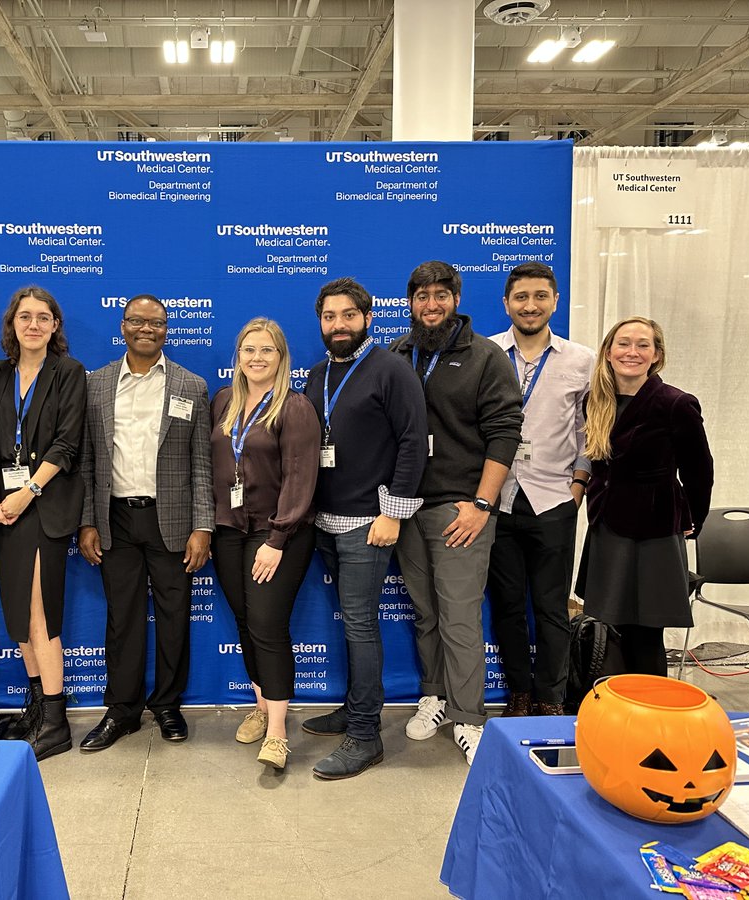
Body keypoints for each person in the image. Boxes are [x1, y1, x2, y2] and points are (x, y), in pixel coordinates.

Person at [390, 260, 522, 766]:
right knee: (425, 613)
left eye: (441, 295)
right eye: (421, 296)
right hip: (405, 507)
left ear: (457, 299)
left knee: (460, 617)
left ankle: (470, 716)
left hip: (459, 509)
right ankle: (435, 697)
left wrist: (483, 505)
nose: (431, 304)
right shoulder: (398, 353)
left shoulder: (485, 356)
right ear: (410, 302)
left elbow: (506, 432)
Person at [301, 277, 428, 780]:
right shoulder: (316, 375)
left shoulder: (391, 370)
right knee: (350, 622)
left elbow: (413, 443)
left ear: (367, 318)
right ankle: (354, 707)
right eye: (329, 318)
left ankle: (365, 733)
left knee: (359, 624)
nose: (338, 326)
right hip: (325, 522)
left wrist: (393, 514)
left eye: (347, 316)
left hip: (368, 525)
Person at [77, 294, 214, 751]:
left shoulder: (190, 385)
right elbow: (89, 460)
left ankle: (168, 705)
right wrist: (87, 521)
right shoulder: (95, 384)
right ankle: (122, 711)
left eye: (155, 322)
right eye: (137, 321)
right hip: (115, 517)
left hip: (171, 519)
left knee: (175, 617)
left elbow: (201, 464)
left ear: (166, 328)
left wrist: (203, 526)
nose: (146, 329)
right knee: (123, 619)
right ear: (123, 326)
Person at [210, 318, 320, 771]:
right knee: (245, 621)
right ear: (237, 356)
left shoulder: (294, 407)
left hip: (279, 533)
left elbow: (300, 477)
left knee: (268, 625)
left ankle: (277, 732)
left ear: (281, 358)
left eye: (267, 350)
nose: (257, 357)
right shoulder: (222, 402)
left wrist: (277, 538)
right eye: (248, 349)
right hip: (228, 530)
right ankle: (261, 704)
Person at [0, 287, 86, 760]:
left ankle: (57, 722)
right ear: (13, 324)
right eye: (25, 317)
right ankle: (36, 706)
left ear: (55, 326)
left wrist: (27, 492)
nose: (34, 325)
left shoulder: (68, 373)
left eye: (44, 317)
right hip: (3, 510)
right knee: (20, 620)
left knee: (42, 616)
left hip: (43, 507)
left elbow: (66, 445)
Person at [576, 316, 714, 677]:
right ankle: (618, 710)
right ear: (608, 351)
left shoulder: (676, 404)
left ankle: (651, 714)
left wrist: (693, 521)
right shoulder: (596, 401)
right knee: (610, 627)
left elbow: (700, 471)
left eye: (642, 345)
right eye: (623, 343)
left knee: (647, 632)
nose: (631, 352)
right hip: (607, 527)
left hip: (653, 533)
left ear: (657, 355)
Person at [486, 262, 594, 717]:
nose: (530, 305)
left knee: (551, 607)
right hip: (497, 500)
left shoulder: (582, 360)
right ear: (506, 303)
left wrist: (579, 484)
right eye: (521, 297)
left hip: (554, 498)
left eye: (540, 296)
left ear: (554, 301)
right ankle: (519, 694)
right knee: (508, 607)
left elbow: (591, 430)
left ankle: (550, 697)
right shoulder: (486, 354)